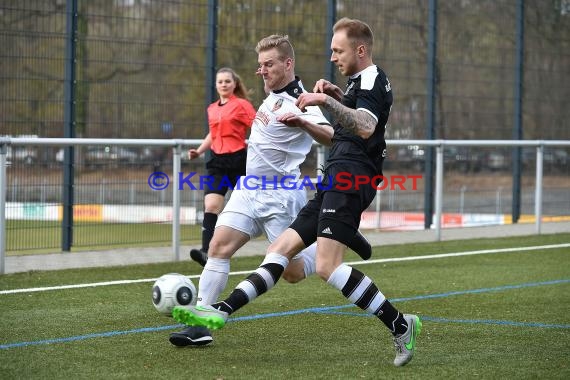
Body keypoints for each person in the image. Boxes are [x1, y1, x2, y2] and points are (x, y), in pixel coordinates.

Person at [172, 18, 422, 367]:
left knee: (325, 268)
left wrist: (321, 101)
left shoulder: (372, 79)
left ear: (360, 50)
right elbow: (350, 120)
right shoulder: (355, 83)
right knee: (278, 253)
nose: (333, 57)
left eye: (338, 50)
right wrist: (336, 94)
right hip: (329, 177)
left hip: (350, 179)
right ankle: (214, 314)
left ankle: (400, 324)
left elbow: (364, 126)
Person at [188, 67, 256, 267]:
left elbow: (259, 127)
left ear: (234, 84)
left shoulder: (242, 105)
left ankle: (282, 243)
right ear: (216, 85)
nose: (224, 84)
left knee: (252, 206)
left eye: (228, 81)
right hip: (217, 162)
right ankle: (206, 251)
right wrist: (199, 151)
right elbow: (213, 133)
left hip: (238, 161)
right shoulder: (212, 108)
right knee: (211, 206)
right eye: (220, 82)